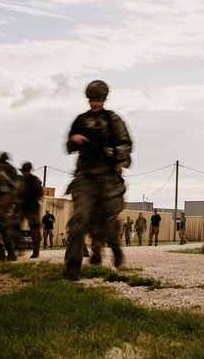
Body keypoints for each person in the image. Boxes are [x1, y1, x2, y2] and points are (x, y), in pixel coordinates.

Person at [62, 80, 132, 280]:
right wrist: (74, 140)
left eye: (98, 100)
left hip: (108, 177)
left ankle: (115, 247)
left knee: (108, 220)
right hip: (85, 177)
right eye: (92, 100)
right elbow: (68, 146)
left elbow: (126, 145)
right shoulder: (81, 120)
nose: (95, 103)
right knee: (80, 220)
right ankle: (72, 268)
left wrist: (115, 151)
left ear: (104, 99)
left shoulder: (113, 120)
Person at [19, 162, 43, 258]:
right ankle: (19, 247)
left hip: (33, 208)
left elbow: (40, 193)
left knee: (35, 230)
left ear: (29, 171)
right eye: (23, 172)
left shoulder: (35, 180)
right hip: (23, 208)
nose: (24, 173)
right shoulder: (21, 181)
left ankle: (36, 251)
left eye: (25, 171)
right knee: (14, 225)